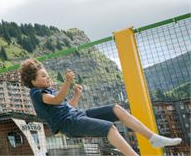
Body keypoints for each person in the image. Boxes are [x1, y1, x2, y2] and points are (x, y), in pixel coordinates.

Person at [20, 59, 181, 156]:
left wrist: (76, 95)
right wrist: (67, 83)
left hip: (76, 115)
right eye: (43, 76)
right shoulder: (36, 93)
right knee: (110, 128)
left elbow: (65, 106)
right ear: (33, 81)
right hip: (69, 124)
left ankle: (153, 138)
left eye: (47, 74)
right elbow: (56, 100)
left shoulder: (48, 91)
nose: (47, 77)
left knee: (116, 109)